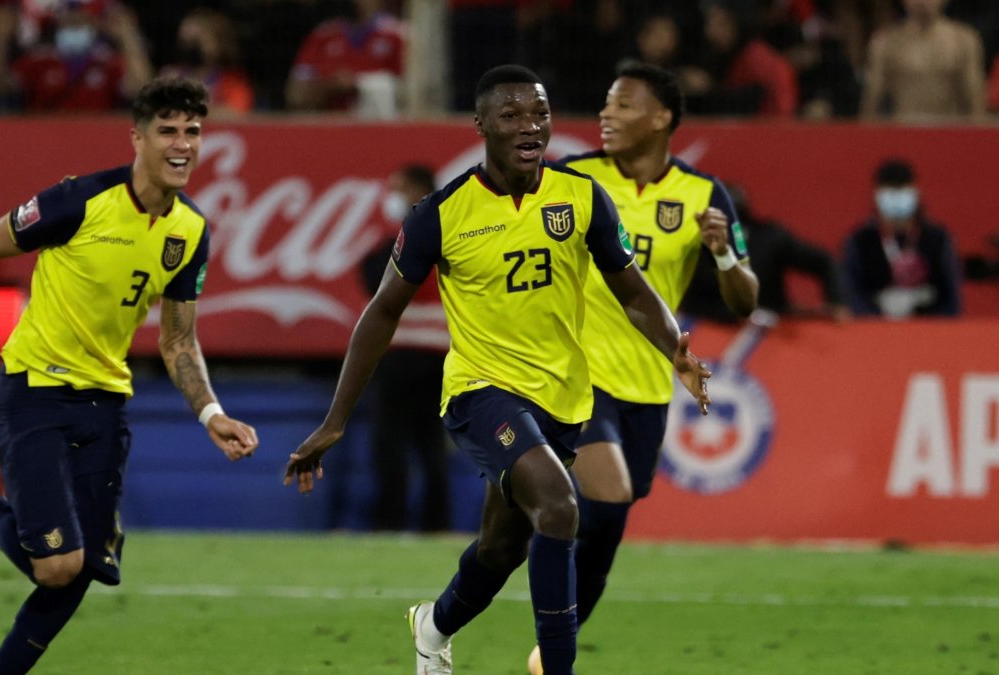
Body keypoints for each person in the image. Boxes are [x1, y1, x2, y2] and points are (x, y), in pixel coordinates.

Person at [284, 64, 711, 675]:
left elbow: (635, 291)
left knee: (502, 548)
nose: (529, 126)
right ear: (481, 125)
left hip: (563, 398)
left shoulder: (581, 197)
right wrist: (335, 421)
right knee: (560, 507)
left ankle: (432, 627)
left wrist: (676, 350)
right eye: (511, 115)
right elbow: (381, 315)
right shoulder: (441, 214)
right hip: (481, 392)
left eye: (540, 114)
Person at [0, 76, 259, 674]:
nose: (182, 144)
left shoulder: (191, 231)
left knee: (84, 572)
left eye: (193, 131)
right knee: (57, 565)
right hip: (35, 391)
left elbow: (178, 340)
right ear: (137, 138)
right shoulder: (78, 200)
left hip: (105, 405)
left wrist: (211, 413)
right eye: (167, 131)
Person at [525, 61, 757, 674]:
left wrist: (724, 255)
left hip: (649, 385)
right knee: (609, 496)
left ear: (661, 119)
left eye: (623, 105)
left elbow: (746, 299)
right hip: (578, 371)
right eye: (606, 103)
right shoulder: (574, 178)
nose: (606, 114)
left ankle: (554, 638)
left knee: (612, 515)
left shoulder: (704, 196)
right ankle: (554, 626)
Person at [359, 164, 452, 532]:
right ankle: (436, 524)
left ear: (418, 191)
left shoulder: (409, 236)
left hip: (402, 352)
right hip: (442, 353)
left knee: (391, 442)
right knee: (432, 442)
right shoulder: (457, 231)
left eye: (399, 189)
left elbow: (375, 278)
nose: (393, 196)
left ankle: (390, 520)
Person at [680, 184, 849, 322]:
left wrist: (837, 302)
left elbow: (823, 261)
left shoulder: (769, 240)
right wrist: (731, 316)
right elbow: (688, 303)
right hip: (715, 333)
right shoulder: (696, 252)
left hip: (774, 332)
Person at [840, 158, 961, 318]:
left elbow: (951, 300)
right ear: (876, 195)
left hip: (930, 328)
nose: (897, 200)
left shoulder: (937, 239)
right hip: (875, 328)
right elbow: (851, 296)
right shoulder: (860, 241)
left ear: (916, 193)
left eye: (902, 191)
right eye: (891, 193)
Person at [0, 0, 153, 112]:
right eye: (69, 23)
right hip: (44, 139)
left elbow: (141, 87)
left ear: (94, 26)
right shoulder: (38, 62)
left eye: (80, 22)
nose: (74, 28)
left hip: (97, 139)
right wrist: (0, 39)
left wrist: (127, 35)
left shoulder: (107, 63)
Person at [859, 0, 986, 122]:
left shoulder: (964, 41)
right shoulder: (884, 43)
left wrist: (978, 131)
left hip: (950, 128)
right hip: (903, 128)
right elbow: (872, 100)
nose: (921, 2)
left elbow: (975, 98)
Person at [284, 0, 405, 116]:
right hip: (330, 123)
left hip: (380, 124)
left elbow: (410, 94)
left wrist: (360, 85)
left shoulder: (399, 35)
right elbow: (295, 96)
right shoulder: (322, 36)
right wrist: (331, 85)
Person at [158, 7, 254, 118]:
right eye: (185, 41)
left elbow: (238, 113)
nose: (191, 48)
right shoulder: (170, 78)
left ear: (219, 43)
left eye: (197, 41)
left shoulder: (232, 81)